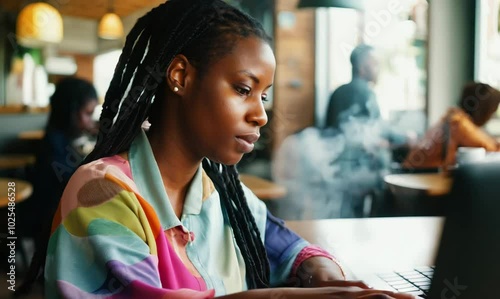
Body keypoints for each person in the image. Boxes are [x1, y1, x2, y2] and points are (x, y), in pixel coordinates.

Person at [43, 1, 413, 298]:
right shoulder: (101, 191)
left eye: (264, 96)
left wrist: (324, 275)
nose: (261, 115)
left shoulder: (222, 196)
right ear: (180, 76)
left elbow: (290, 247)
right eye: (243, 89)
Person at [404, 82, 500, 169]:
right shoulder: (458, 122)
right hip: (421, 176)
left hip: (416, 174)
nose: (492, 116)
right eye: (492, 111)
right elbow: (490, 148)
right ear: (484, 110)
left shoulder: (453, 116)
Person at [325, 44, 381, 129]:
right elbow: (378, 129)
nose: (378, 69)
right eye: (375, 64)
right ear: (362, 69)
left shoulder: (337, 92)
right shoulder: (365, 92)